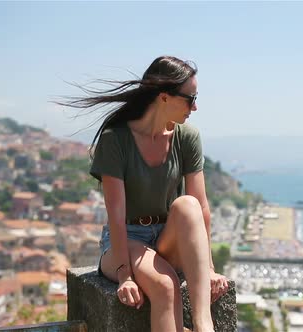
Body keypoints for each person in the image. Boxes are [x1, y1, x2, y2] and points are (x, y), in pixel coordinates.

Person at [65, 56, 229, 332]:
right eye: (190, 98)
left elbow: (200, 208)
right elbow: (116, 215)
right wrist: (125, 275)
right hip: (126, 240)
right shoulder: (115, 140)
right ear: (164, 97)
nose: (195, 106)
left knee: (188, 204)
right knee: (165, 285)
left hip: (168, 237)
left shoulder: (186, 137)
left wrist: (209, 269)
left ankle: (204, 326)